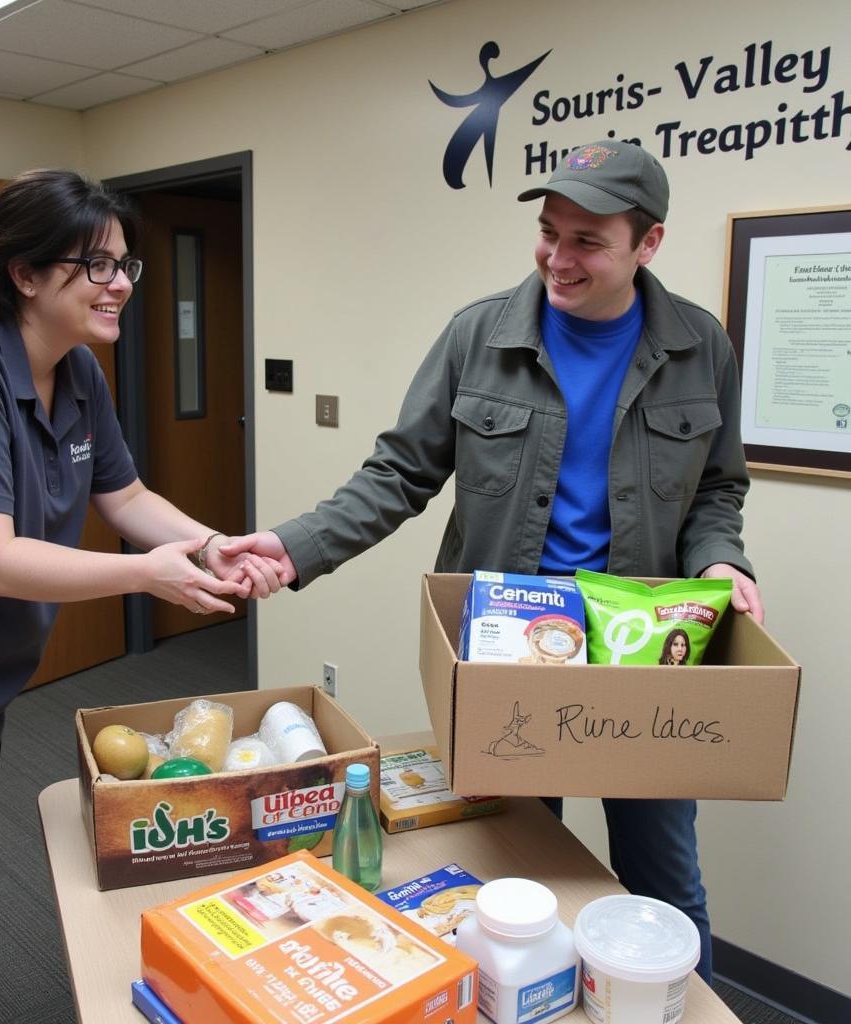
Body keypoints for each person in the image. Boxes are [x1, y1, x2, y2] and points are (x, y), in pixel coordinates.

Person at [222, 139, 765, 983]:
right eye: (550, 232)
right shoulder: (479, 336)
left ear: (647, 244)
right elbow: (399, 473)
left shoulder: (702, 345)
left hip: (642, 653)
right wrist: (291, 548)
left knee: (665, 885)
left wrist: (722, 564)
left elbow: (717, 492)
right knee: (512, 876)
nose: (558, 257)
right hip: (508, 651)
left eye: (587, 240)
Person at [0, 168, 282, 1023]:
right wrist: (150, 573)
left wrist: (215, 544)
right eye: (96, 265)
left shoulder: (76, 372)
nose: (120, 285)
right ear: (24, 274)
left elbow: (126, 498)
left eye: (125, 266)